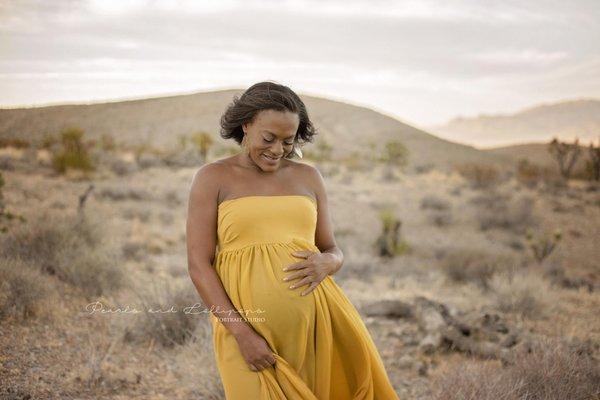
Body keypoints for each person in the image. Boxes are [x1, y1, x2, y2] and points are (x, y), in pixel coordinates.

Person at [186, 81, 400, 399]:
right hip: (247, 333)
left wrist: (328, 262)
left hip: (320, 325)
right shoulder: (213, 178)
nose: (277, 150)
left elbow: (332, 249)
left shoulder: (308, 177)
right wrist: (241, 334)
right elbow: (198, 265)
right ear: (246, 125)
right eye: (269, 138)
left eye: (288, 140)